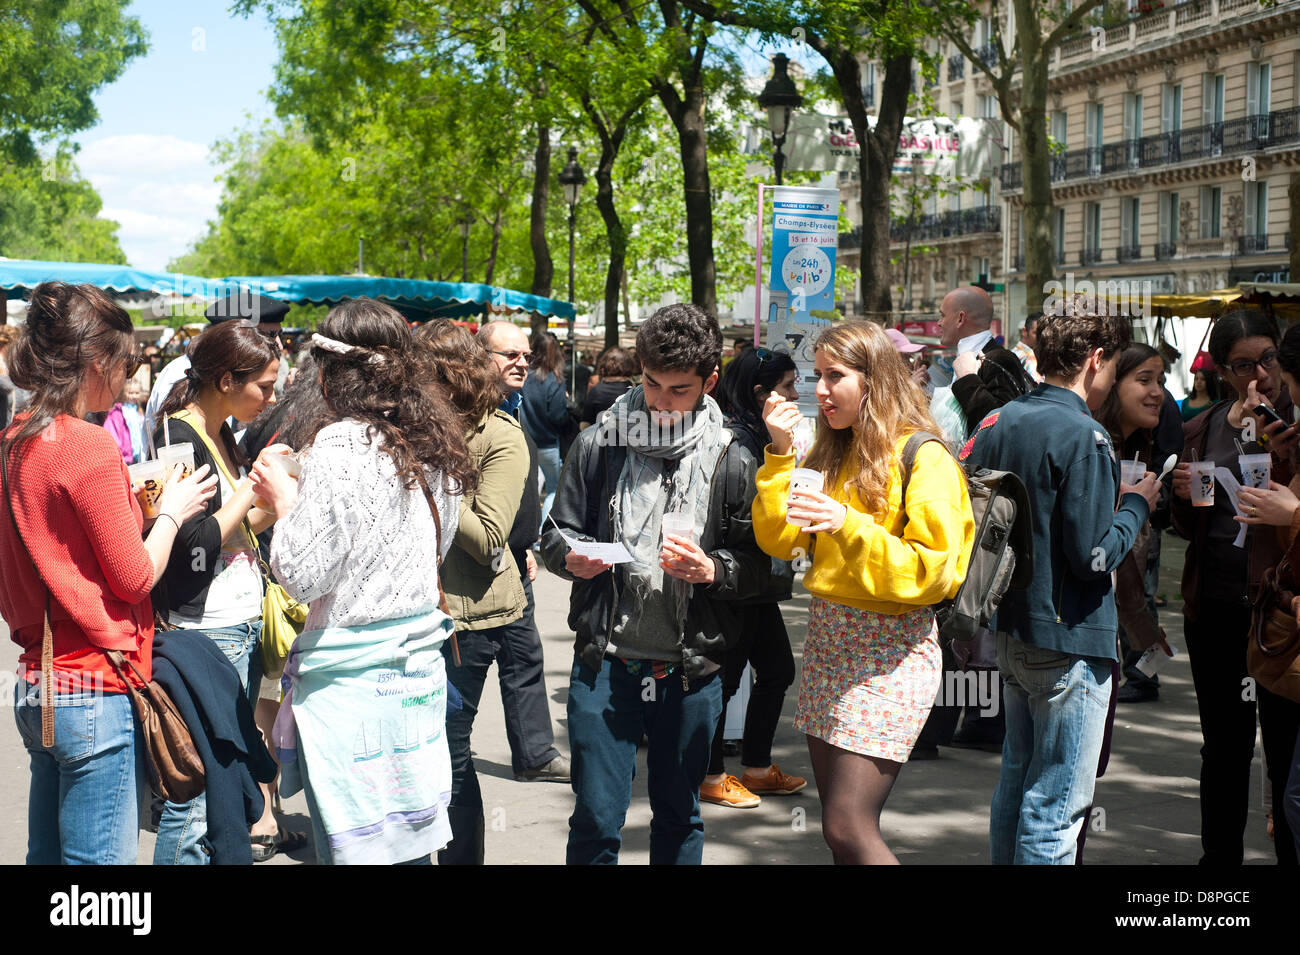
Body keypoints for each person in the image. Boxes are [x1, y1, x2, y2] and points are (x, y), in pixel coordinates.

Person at [538, 303, 768, 865]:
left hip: (690, 671)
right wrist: (570, 557)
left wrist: (714, 569)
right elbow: (554, 534)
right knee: (595, 816)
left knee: (678, 815)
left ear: (709, 381)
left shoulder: (734, 458)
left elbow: (767, 568)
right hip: (606, 663)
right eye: (651, 384)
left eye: (679, 390)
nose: (660, 402)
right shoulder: (600, 445)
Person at [252, 298, 477, 865]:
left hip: (353, 689)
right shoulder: (437, 442)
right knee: (406, 846)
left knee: (357, 848)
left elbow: (302, 577)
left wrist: (285, 503)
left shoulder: (338, 446)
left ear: (328, 374)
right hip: (417, 674)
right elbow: (437, 549)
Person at [1, 282, 216, 865]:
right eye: (127, 363)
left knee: (47, 860)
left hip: (39, 682)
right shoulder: (88, 444)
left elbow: (42, 553)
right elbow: (135, 577)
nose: (128, 376)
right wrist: (171, 513)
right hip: (96, 686)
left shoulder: (14, 441)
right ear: (98, 363)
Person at [754, 321, 975, 864]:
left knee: (849, 826)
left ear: (873, 381)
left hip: (890, 653)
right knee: (838, 834)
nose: (819, 390)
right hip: (831, 643)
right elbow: (780, 541)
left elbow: (932, 574)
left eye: (835, 376)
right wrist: (780, 455)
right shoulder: (831, 452)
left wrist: (845, 524)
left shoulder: (926, 457)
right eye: (816, 375)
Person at [962, 303, 1160, 864]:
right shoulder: (1085, 435)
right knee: (1055, 809)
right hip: (1070, 639)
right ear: (1096, 360)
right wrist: (1137, 507)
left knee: (1016, 786)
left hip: (1013, 630)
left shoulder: (998, 420)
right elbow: (1093, 556)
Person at [417, 320, 561, 866]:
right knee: (420, 754)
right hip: (407, 615)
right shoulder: (416, 429)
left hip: (468, 618)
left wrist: (432, 476)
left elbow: (487, 538)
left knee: (451, 753)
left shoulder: (500, 435)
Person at [150, 319, 294, 864]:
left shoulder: (222, 432)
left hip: (238, 619)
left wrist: (279, 490)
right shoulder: (177, 438)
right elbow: (194, 546)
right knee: (197, 790)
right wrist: (253, 485)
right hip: (205, 628)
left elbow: (237, 528)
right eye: (266, 385)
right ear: (227, 380)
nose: (272, 397)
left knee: (225, 781)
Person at [1171, 310, 1300, 865]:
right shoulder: (1202, 427)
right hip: (1217, 607)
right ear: (1222, 370)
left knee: (1286, 748)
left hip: (1276, 614)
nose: (1260, 375)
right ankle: (1218, 866)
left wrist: (1275, 437)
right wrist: (1178, 495)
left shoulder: (1292, 419)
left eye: (1268, 358)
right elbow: (1187, 526)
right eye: (1243, 364)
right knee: (1223, 747)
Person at [700, 345, 806, 808]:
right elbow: (745, 524)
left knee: (777, 670)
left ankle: (757, 768)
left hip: (756, 583)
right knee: (725, 679)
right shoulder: (739, 445)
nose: (797, 394)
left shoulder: (756, 439)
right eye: (788, 387)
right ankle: (710, 774)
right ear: (762, 394)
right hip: (737, 581)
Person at [475, 319, 570, 784]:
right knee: (463, 675)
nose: (522, 362)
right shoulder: (467, 414)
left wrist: (522, 545)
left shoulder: (513, 405)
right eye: (509, 354)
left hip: (511, 560)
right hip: (474, 568)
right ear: (479, 357)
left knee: (525, 656)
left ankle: (535, 755)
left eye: (526, 355)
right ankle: (444, 765)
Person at [146, 291, 289, 437]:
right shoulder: (180, 372)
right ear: (236, 335)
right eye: (269, 336)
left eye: (279, 335)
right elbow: (172, 446)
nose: (279, 345)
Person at [942, 286, 1037, 435]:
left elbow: (1001, 426)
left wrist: (968, 379)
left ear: (960, 318)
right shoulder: (988, 356)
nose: (939, 323)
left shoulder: (999, 359)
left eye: (942, 315)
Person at [522, 331, 570, 529]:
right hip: (548, 443)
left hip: (525, 441)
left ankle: (529, 531)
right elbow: (558, 416)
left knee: (530, 490)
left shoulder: (523, 377)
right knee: (553, 490)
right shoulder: (554, 380)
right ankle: (542, 531)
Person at [580, 346, 637, 430]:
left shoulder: (596, 391)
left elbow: (584, 425)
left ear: (604, 365)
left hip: (601, 439)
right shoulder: (634, 390)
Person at [104, 377, 149, 465]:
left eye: (137, 393)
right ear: (124, 393)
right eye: (130, 393)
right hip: (125, 457)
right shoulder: (118, 412)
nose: (133, 396)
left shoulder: (139, 411)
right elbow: (113, 434)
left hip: (138, 454)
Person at [1180, 354, 1223, 421]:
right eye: (1196, 379)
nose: (1198, 382)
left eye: (1203, 379)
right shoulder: (1185, 402)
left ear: (1209, 382)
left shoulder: (1215, 403)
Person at [1012, 312, 1043, 384]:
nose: (1040, 337)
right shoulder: (1029, 357)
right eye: (1035, 333)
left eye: (1042, 333)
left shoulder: (1012, 352)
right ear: (1024, 331)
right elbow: (1039, 386)